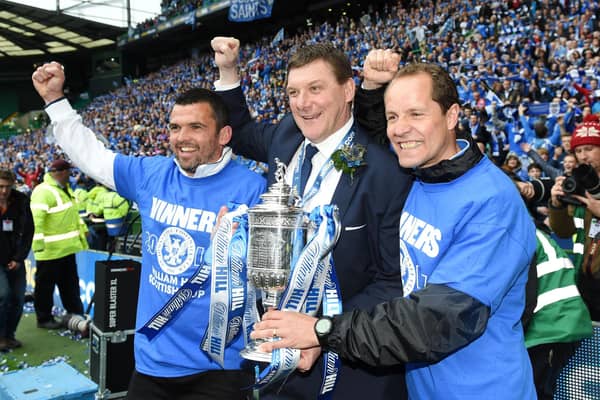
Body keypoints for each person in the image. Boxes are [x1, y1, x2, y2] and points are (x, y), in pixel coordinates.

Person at [251, 62, 537, 399]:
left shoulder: (492, 203)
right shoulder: (417, 177)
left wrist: (322, 330)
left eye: (416, 114)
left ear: (451, 116)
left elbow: (435, 322)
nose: (400, 129)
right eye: (393, 117)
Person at [32, 62, 267, 399]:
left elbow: (271, 282)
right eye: (174, 127)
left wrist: (237, 256)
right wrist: (55, 100)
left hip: (220, 367)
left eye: (196, 127)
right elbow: (92, 157)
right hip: (152, 362)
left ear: (223, 135)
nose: (181, 138)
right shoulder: (151, 174)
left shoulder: (254, 191)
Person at [212, 37, 412, 399]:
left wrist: (322, 331)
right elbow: (239, 132)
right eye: (293, 92)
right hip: (277, 363)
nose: (303, 103)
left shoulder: (387, 171)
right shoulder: (286, 136)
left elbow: (392, 282)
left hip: (352, 373)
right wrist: (228, 68)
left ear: (349, 89)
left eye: (315, 89)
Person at [549, 114, 600, 321]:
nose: (583, 156)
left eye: (589, 148)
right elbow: (563, 231)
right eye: (578, 150)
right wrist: (556, 204)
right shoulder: (579, 186)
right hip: (585, 279)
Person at [30, 158, 88, 330]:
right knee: (45, 287)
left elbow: (72, 215)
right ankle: (43, 318)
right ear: (61, 173)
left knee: (70, 284)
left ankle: (76, 314)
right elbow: (37, 220)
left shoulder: (63, 189)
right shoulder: (43, 191)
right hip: (49, 250)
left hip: (66, 248)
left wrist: (82, 230)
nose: (71, 175)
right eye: (69, 172)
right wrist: (38, 245)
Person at [0, 169, 34, 350]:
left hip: (16, 258)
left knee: (18, 299)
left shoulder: (21, 201)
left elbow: (28, 231)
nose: (4, 191)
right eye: (0, 187)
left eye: (8, 187)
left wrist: (19, 258)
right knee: (3, 294)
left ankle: (9, 335)